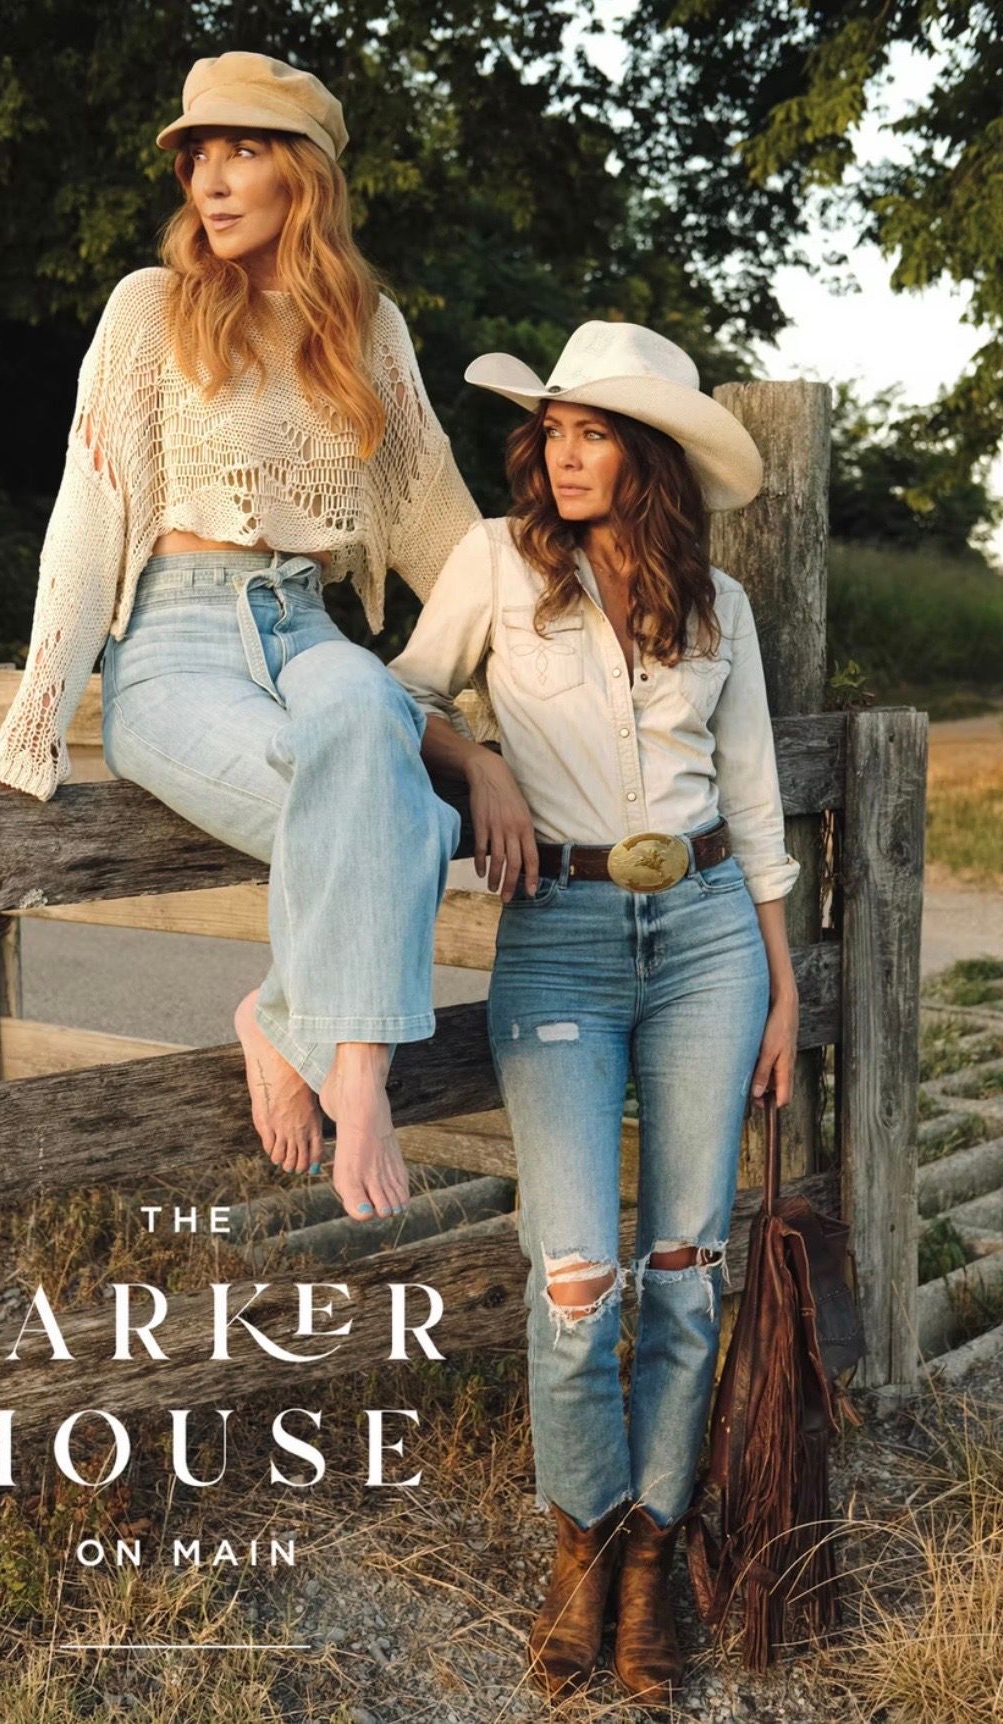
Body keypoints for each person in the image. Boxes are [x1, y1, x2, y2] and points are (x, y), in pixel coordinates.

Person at [0, 52, 479, 1223]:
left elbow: (441, 527)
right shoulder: (151, 307)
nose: (211, 177)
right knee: (405, 806)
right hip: (176, 646)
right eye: (198, 154)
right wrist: (34, 724)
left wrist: (516, 711)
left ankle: (299, 1026)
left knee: (362, 708)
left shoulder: (369, 328)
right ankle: (354, 1057)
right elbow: (87, 520)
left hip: (310, 627)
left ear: (305, 174)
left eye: (242, 150)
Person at [388, 321, 799, 1706]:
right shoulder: (497, 566)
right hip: (557, 939)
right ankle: (580, 1552)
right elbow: (400, 700)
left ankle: (651, 1568)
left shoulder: (719, 607)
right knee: (576, 1284)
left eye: (594, 430)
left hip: (704, 943)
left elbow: (750, 806)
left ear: (653, 454)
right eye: (552, 429)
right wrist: (482, 760)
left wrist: (782, 980)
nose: (563, 453)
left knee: (686, 1272)